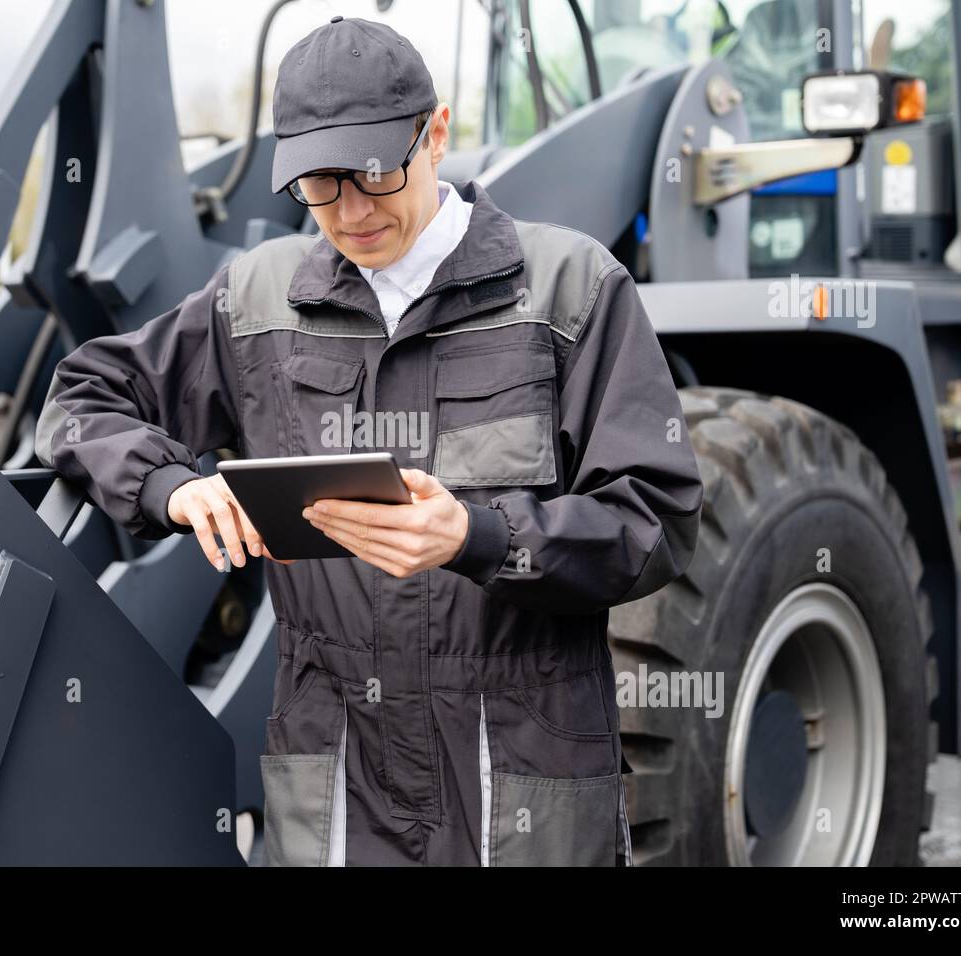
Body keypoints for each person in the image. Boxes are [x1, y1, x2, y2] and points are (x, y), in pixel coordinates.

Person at [35, 15, 704, 867]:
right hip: (335, 785)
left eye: (375, 173)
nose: (350, 211)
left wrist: (480, 536)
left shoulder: (571, 291)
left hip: (518, 781)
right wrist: (172, 485)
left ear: (437, 135)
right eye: (319, 184)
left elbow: (656, 522)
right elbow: (82, 395)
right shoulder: (257, 303)